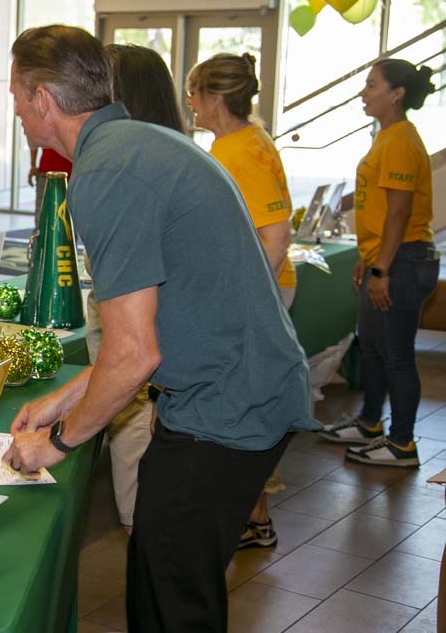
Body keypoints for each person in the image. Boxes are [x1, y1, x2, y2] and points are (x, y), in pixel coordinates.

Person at [0, 25, 316, 633]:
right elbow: (151, 328)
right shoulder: (137, 145)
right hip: (231, 396)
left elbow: (136, 353)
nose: (13, 108)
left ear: (42, 98)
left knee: (172, 599)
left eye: (15, 93)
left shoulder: (109, 171)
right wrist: (60, 398)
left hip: (224, 412)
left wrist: (59, 441)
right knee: (159, 580)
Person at [187, 52, 295, 548]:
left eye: (194, 93)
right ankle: (255, 517)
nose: (190, 103)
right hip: (252, 291)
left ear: (215, 98)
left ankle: (246, 518)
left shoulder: (241, 149)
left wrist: (246, 303)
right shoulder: (241, 141)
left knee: (241, 409)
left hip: (257, 294)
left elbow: (275, 234)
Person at [317, 59, 438, 467]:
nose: (363, 93)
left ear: (396, 94)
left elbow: (400, 214)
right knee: (372, 349)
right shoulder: (387, 138)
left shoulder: (402, 140)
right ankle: (371, 423)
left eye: (372, 85)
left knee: (397, 354)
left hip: (403, 260)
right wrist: (369, 259)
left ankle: (402, 444)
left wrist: (382, 268)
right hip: (387, 258)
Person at [90, 43, 187, 536]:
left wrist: (64, 438)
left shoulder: (130, 169)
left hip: (148, 376)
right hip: (153, 374)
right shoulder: (175, 158)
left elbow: (134, 345)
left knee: (141, 491)